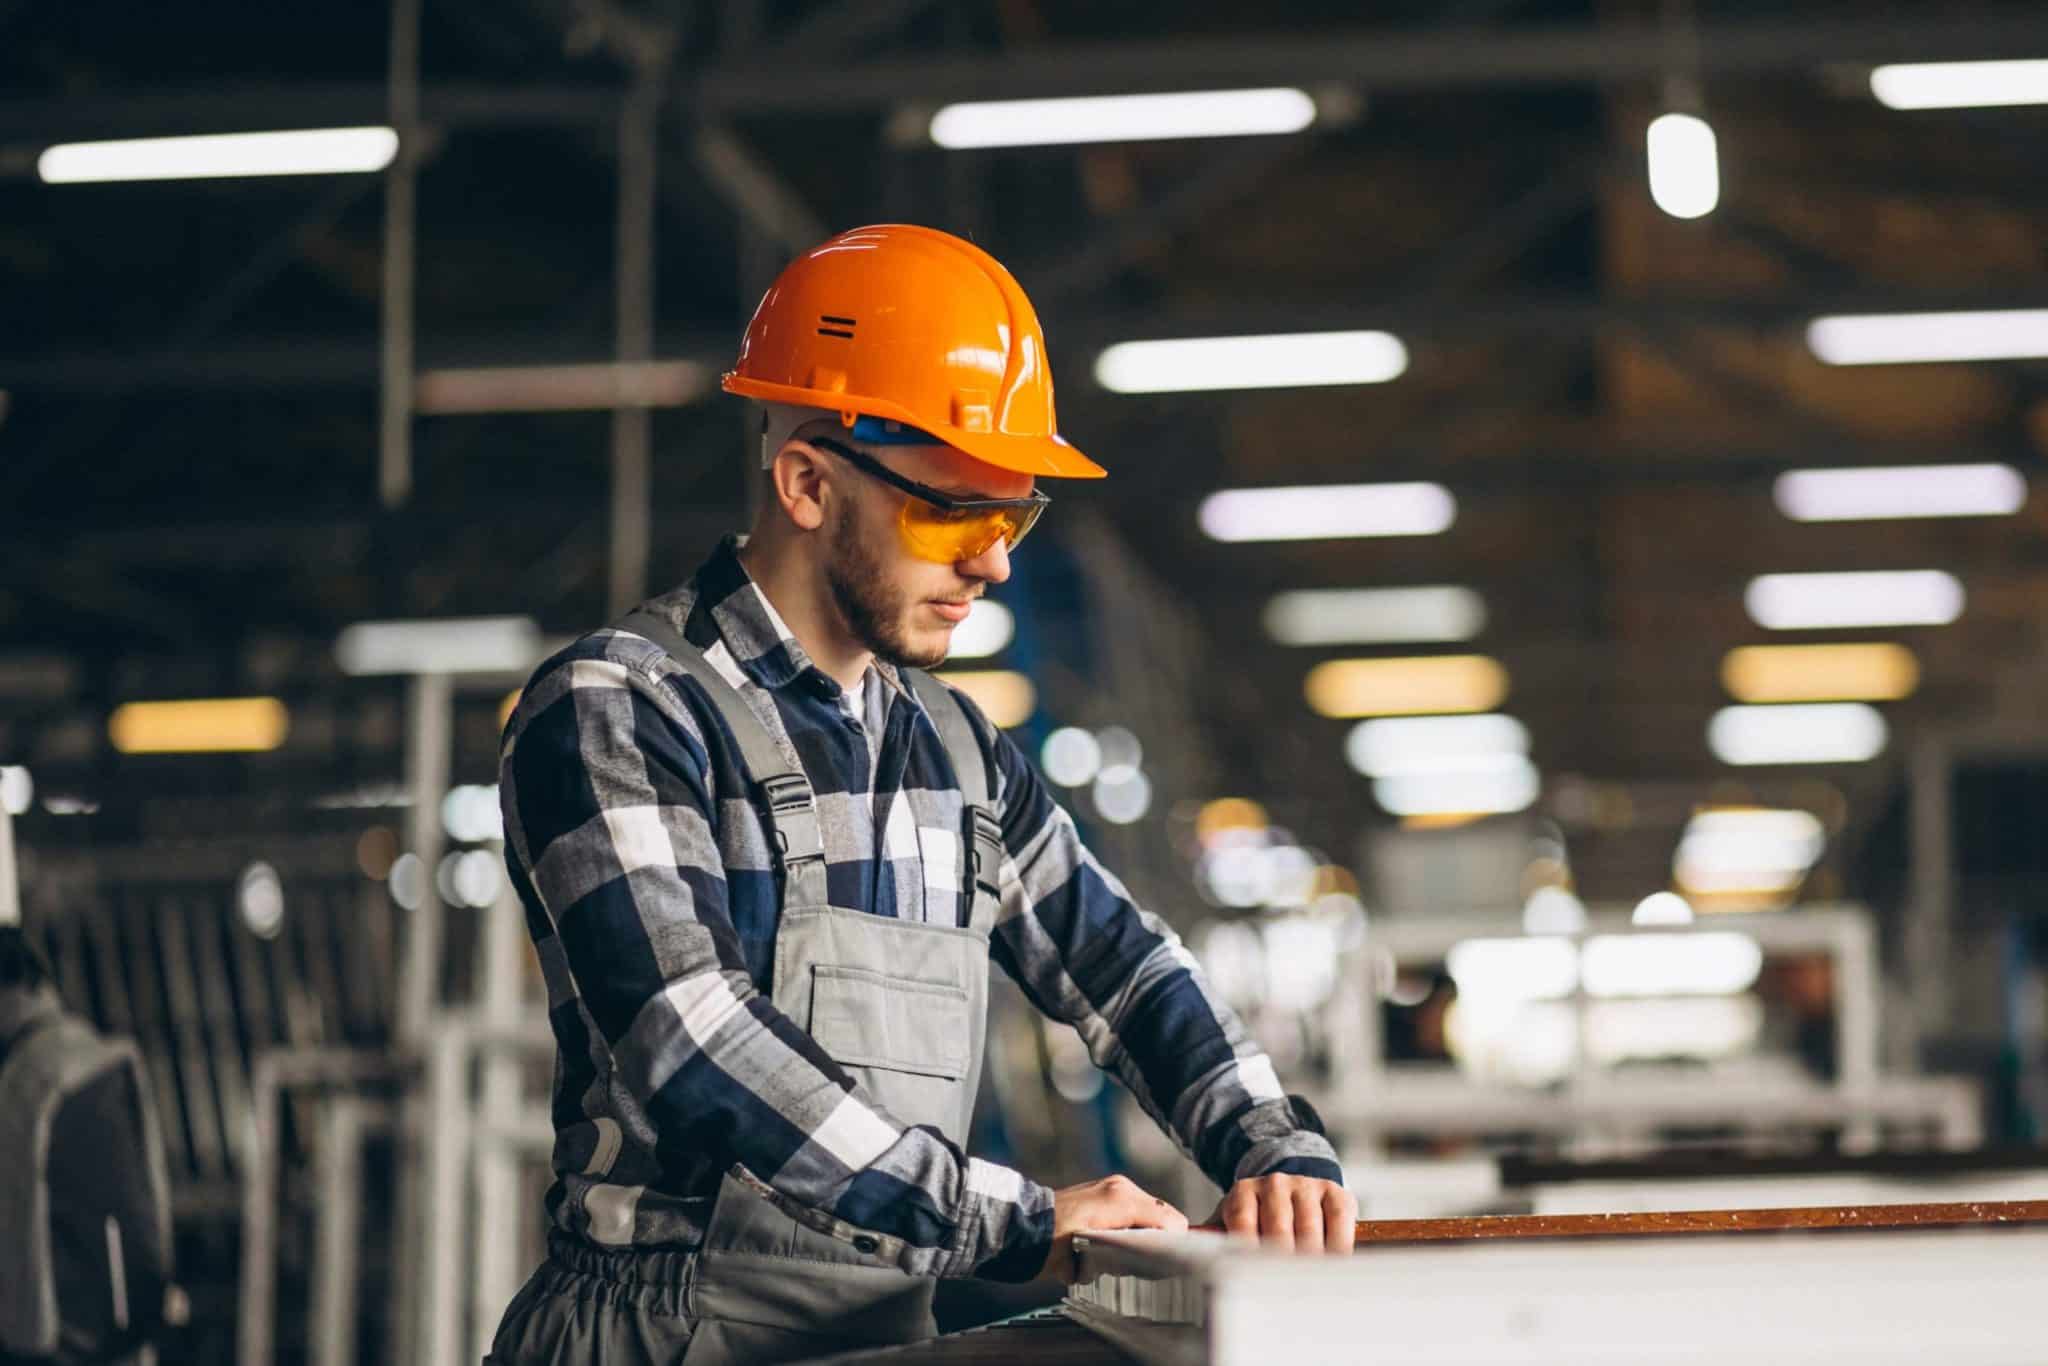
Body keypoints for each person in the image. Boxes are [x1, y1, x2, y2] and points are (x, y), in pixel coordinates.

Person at [487, 223, 1353, 1365]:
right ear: (805, 481)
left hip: (877, 1328)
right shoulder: (619, 708)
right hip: (655, 1335)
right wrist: (1013, 1221)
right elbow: (690, 1042)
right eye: (952, 511)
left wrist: (1271, 1145)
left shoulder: (956, 751)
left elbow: (1123, 966)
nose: (992, 562)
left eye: (1012, 517)